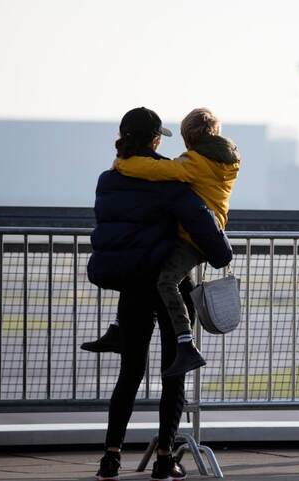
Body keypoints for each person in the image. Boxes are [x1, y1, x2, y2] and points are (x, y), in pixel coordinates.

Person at [87, 107, 232, 481]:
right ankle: (165, 461)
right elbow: (199, 219)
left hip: (132, 287)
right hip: (169, 286)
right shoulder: (169, 179)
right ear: (155, 140)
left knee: (130, 373)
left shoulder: (109, 178)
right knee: (174, 373)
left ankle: (110, 459)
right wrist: (221, 254)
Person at [108, 107, 241, 378]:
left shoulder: (197, 162)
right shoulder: (224, 159)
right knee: (146, 261)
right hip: (205, 231)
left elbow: (158, 169)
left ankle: (186, 344)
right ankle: (119, 330)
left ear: (189, 137)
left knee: (165, 281)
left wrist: (124, 164)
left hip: (194, 236)